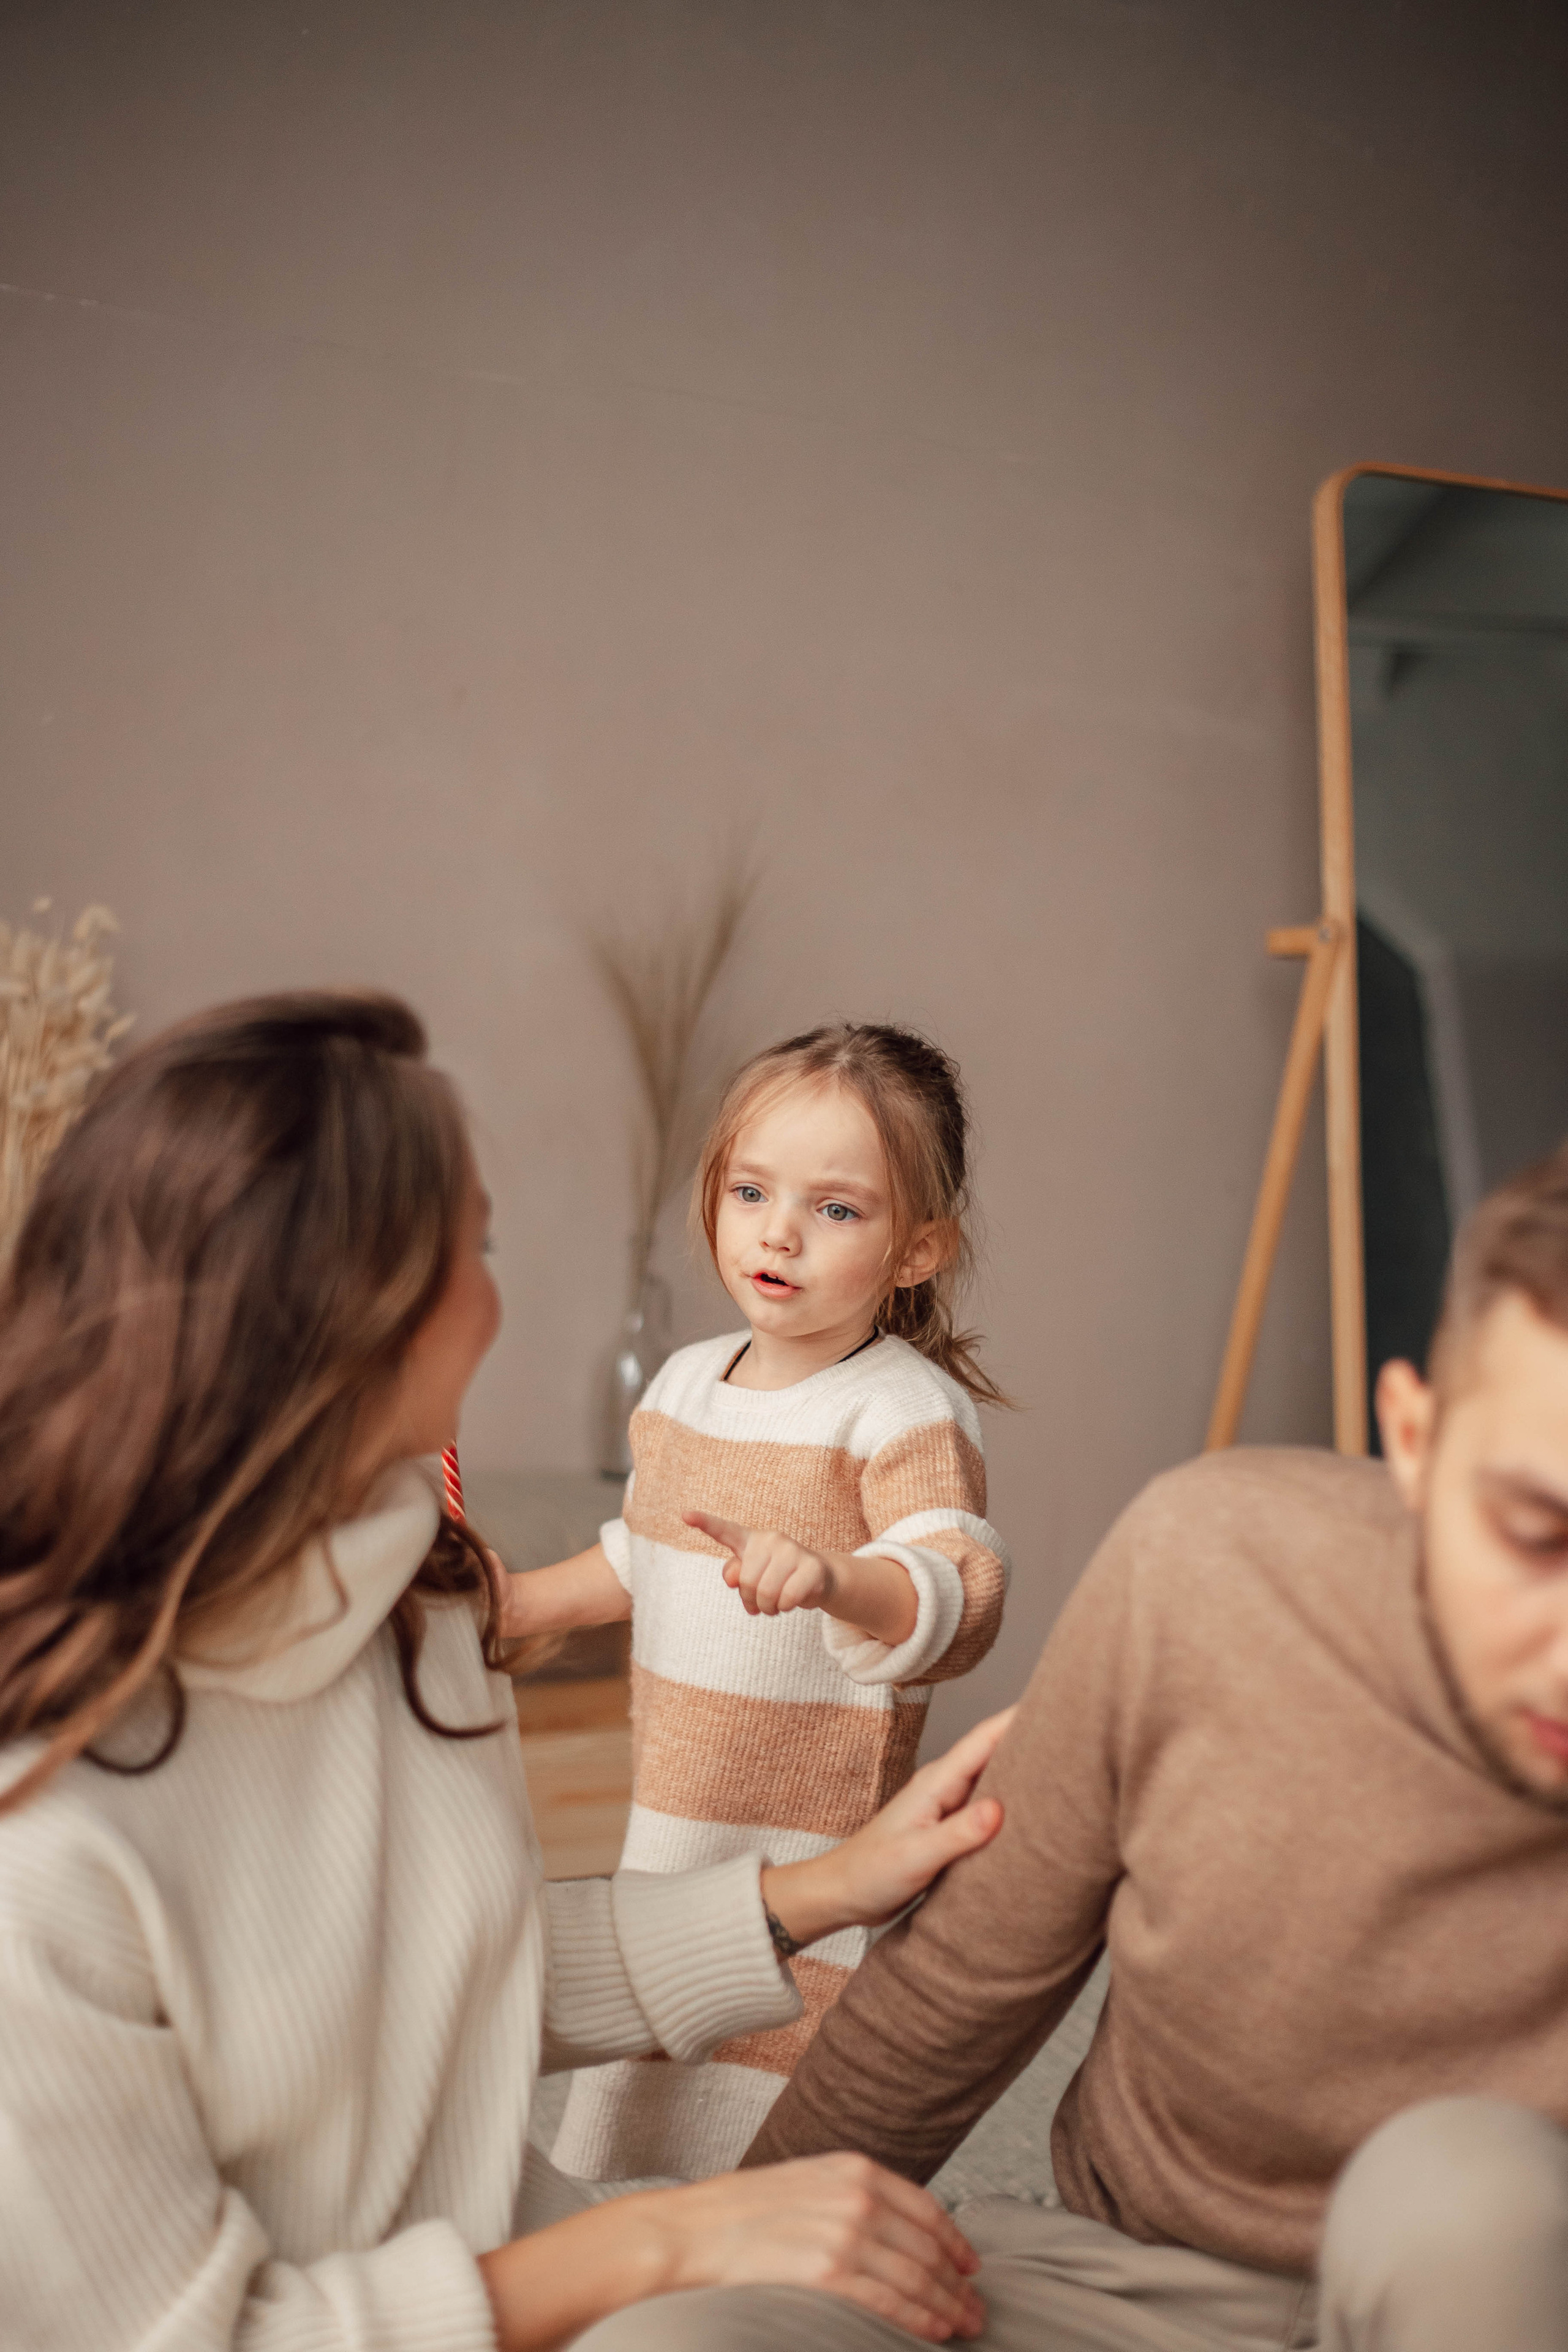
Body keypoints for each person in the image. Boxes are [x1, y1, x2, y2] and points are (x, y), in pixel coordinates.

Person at [0, 991, 1012, 2352]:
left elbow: (451, 1979)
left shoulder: (411, 1618)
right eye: (473, 1248)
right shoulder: (45, 1842)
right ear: (346, 1316)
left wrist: (824, 1889)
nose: (496, 1299)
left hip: (530, 2265)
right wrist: (658, 2237)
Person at [589, 1143, 1568, 2351]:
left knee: (1472, 2196)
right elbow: (959, 1986)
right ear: (1411, 1439)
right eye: (1535, 1534)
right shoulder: (1207, 1564)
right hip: (1121, 2288)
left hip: (1503, 2292)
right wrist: (726, 2257)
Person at [507, 1022, 1013, 2182]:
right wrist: (517, 1604)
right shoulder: (690, 1382)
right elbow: (644, 1557)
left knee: (768, 2122)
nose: (778, 1232)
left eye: (837, 1210)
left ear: (916, 1250)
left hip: (814, 1838)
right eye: (751, 1191)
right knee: (637, 2092)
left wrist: (838, 1578)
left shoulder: (900, 1410)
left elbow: (958, 1583)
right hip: (676, 1821)